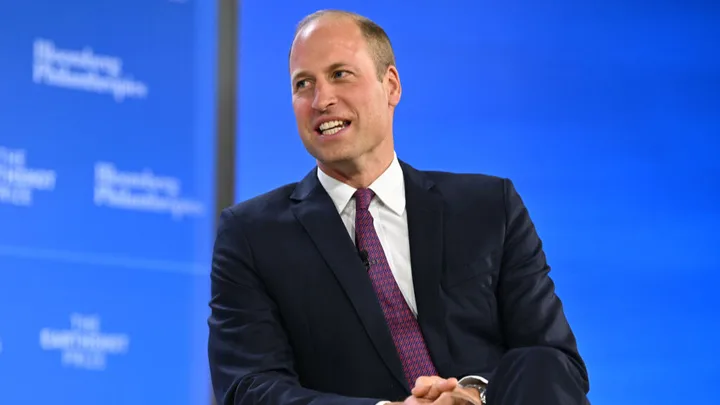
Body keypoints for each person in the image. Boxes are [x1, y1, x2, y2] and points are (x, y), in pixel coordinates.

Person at [208, 9, 590, 405]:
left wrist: (476, 394)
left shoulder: (489, 208)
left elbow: (554, 360)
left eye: (340, 74)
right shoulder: (252, 236)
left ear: (390, 85)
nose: (322, 100)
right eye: (304, 84)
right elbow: (249, 389)